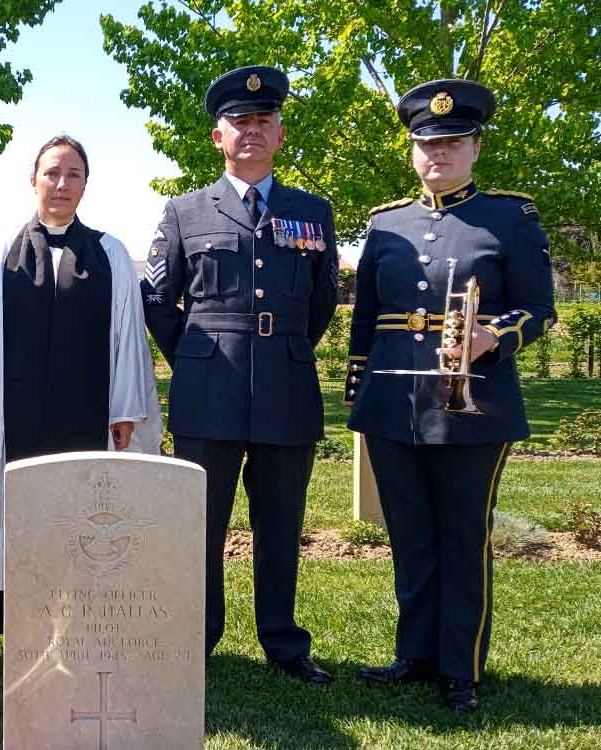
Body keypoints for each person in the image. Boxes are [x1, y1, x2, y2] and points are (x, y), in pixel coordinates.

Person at [345, 79, 556, 713]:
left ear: (474, 147)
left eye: (453, 142)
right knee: (410, 535)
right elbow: (366, 317)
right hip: (391, 405)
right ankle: (415, 655)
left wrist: (493, 335)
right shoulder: (384, 224)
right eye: (427, 144)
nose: (439, 153)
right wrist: (360, 385)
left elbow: (538, 309)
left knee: (463, 536)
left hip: (476, 404)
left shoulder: (510, 218)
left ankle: (459, 668)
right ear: (413, 150)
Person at [141, 67, 338, 682]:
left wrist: (287, 349)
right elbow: (156, 298)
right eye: (239, 123)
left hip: (286, 390)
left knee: (281, 523)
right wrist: (196, 354)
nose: (251, 130)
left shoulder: (313, 211)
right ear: (216, 138)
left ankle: (283, 642)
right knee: (200, 524)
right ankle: (197, 639)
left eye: (262, 121)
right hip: (208, 394)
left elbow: (323, 300)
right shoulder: (184, 211)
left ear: (280, 133)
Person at [0, 135, 163, 638]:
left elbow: (128, 341)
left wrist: (124, 409)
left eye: (74, 175)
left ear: (86, 184)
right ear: (33, 180)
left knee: (89, 516)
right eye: (52, 173)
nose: (62, 184)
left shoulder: (110, 254)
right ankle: (21, 626)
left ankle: (86, 623)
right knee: (22, 511)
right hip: (14, 418)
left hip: (88, 416)